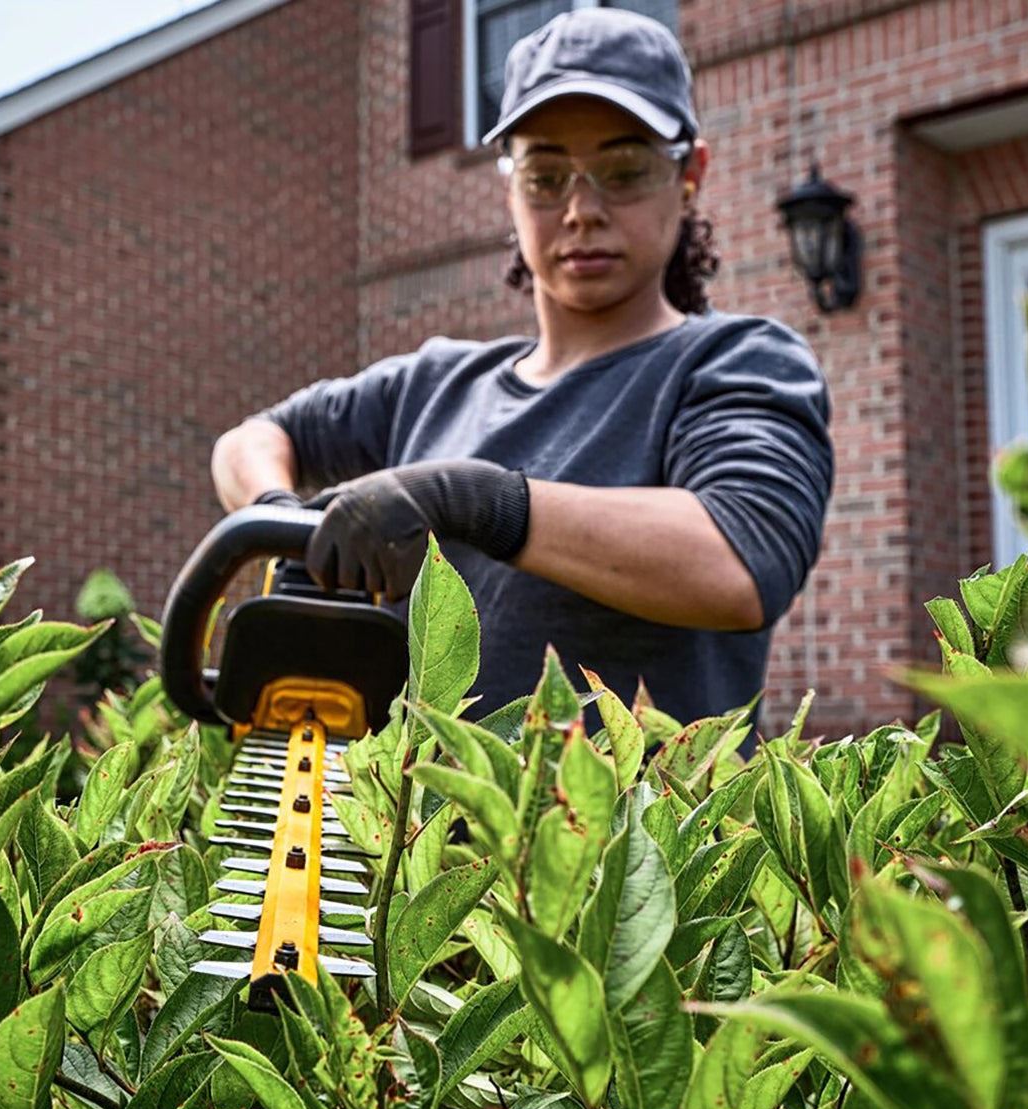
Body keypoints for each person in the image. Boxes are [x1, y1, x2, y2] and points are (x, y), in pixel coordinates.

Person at [211, 8, 833, 737]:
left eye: (624, 171)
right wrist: (284, 518)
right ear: (509, 187)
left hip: (630, 847)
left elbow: (739, 560)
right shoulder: (433, 383)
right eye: (545, 176)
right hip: (405, 844)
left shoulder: (735, 363)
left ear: (689, 174)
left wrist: (475, 500)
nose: (581, 210)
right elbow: (251, 439)